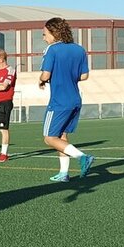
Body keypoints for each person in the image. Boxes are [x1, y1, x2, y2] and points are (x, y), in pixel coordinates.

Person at [39, 16, 94, 182]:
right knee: (61, 136)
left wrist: (41, 79)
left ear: (54, 32)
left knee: (49, 138)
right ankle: (64, 173)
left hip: (59, 101)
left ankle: (83, 157)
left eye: (44, 34)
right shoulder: (79, 49)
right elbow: (84, 76)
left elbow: (46, 74)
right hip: (75, 100)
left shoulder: (52, 49)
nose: (43, 38)